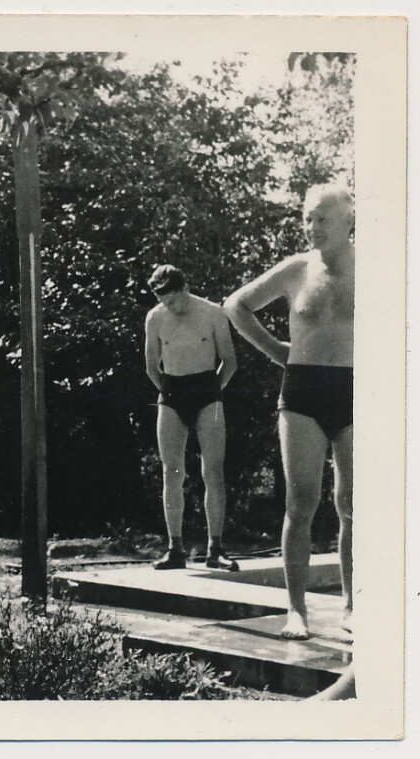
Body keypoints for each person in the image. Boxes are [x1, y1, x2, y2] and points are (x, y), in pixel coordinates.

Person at [224, 183, 354, 641]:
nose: (312, 227)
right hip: (301, 391)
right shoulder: (296, 268)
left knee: (352, 504)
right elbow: (236, 305)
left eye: (322, 218)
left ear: (347, 220)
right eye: (307, 218)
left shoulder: (378, 267)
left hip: (357, 389)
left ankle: (352, 606)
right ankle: (295, 611)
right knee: (301, 504)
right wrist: (277, 350)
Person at [144, 265, 238, 571]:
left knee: (213, 471)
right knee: (172, 472)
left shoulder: (213, 313)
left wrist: (211, 393)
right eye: (164, 302)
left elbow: (230, 361)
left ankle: (216, 548)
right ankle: (175, 548)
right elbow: (151, 366)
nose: (170, 307)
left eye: (174, 300)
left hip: (207, 390)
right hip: (172, 391)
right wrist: (171, 394)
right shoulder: (156, 317)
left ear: (185, 289)